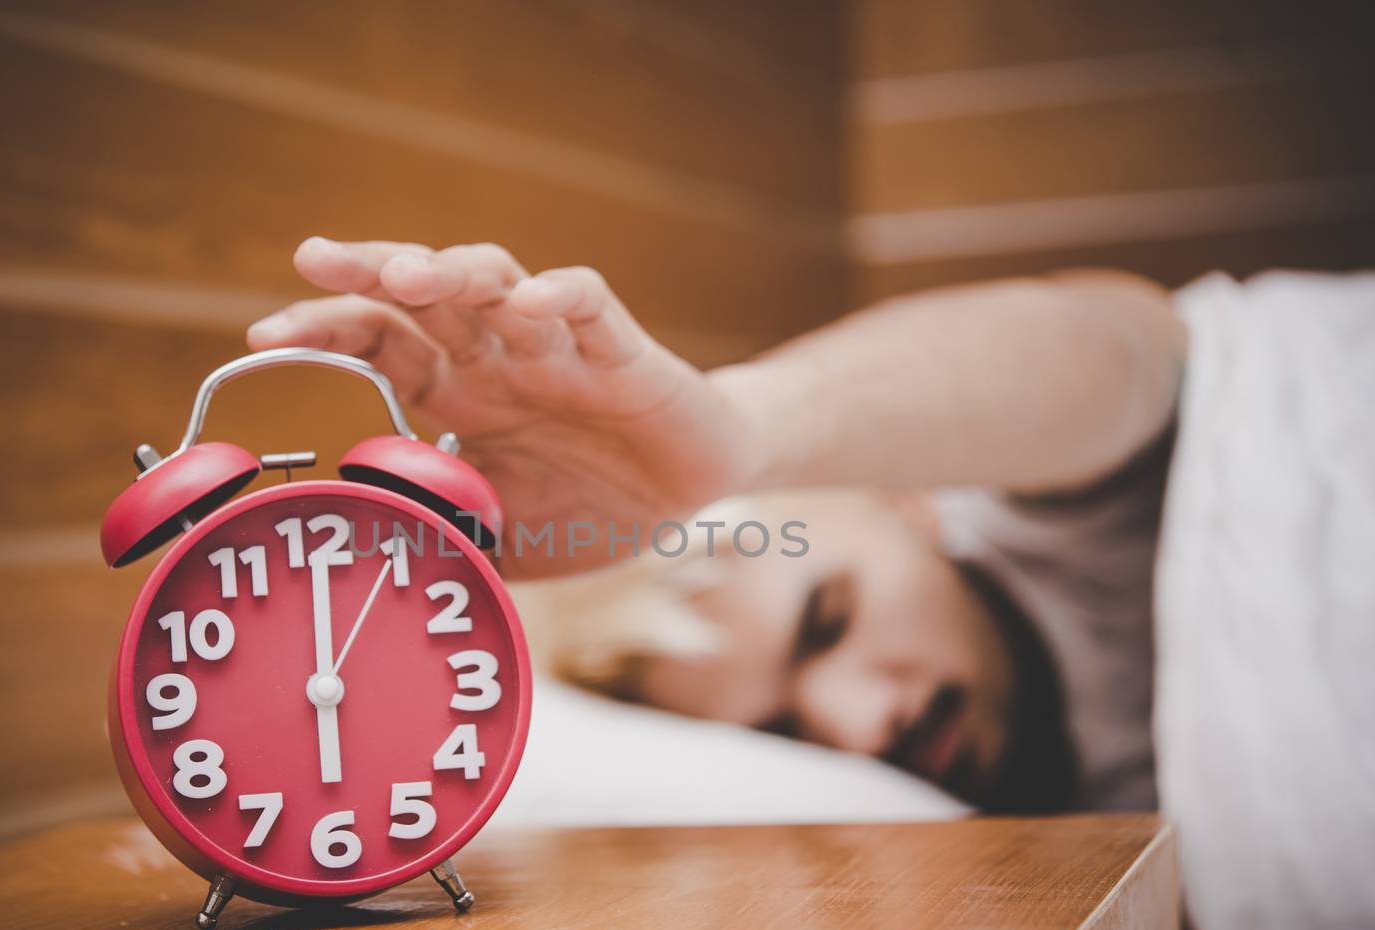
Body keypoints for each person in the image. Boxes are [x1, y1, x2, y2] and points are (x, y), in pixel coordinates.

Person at [248, 237, 1184, 815]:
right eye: (785, 733)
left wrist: (750, 432)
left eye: (829, 618)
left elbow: (1136, 349)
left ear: (902, 498)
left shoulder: (1059, 493)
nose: (863, 726)